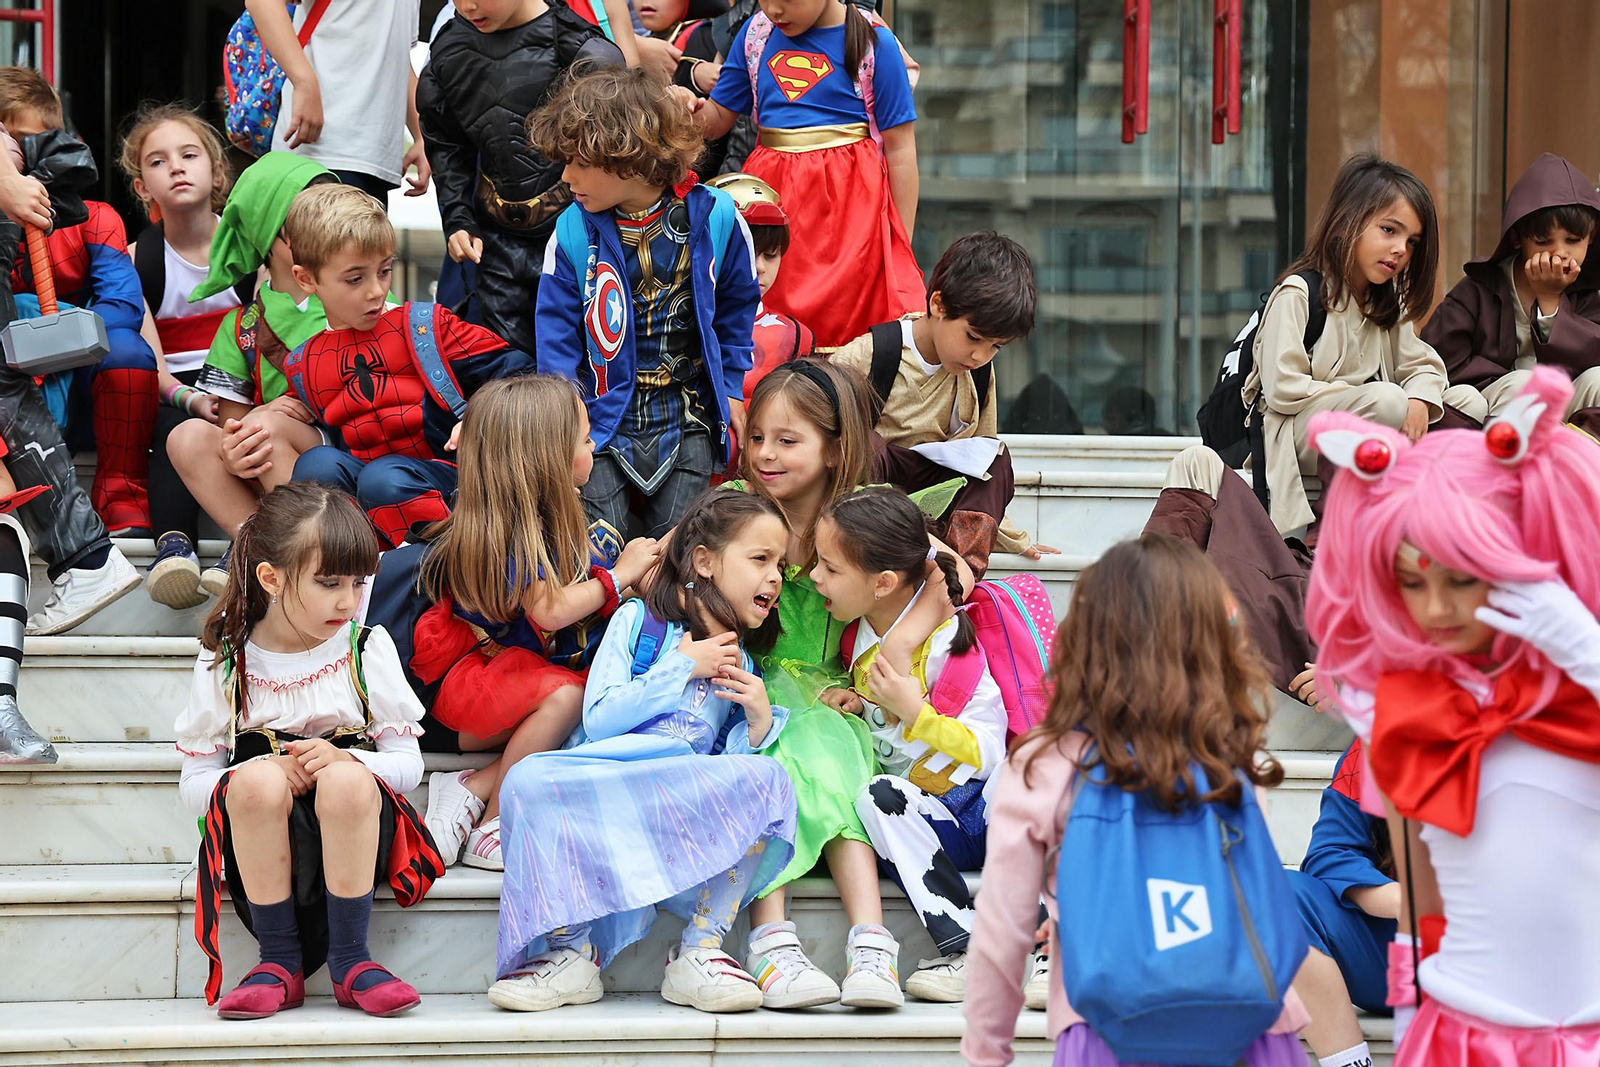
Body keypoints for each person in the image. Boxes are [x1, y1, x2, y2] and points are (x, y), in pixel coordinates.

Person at [1305, 366, 1600, 1064]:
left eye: (1460, 577)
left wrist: (1585, 653)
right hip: (1461, 1037)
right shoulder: (1410, 714)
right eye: (1411, 582)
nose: (1436, 608)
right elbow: (1423, 897)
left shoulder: (1581, 703)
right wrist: (1413, 1019)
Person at [963, 534, 1310, 1066]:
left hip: (1109, 1028)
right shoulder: (1231, 756)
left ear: (1086, 640)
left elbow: (1003, 925)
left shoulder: (1043, 763)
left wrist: (987, 1048)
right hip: (1250, 1022)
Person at [488, 489, 796, 1015]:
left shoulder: (742, 659)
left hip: (677, 802)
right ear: (705, 561)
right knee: (526, 780)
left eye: (781, 566)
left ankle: (701, 950)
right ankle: (570, 952)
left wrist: (757, 722)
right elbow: (599, 718)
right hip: (613, 786)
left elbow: (727, 771)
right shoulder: (639, 622)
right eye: (761, 559)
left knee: (770, 781)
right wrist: (681, 666)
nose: (775, 578)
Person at [732, 359, 968, 1010]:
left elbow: (948, 576)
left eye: (787, 440)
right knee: (777, 752)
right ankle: (771, 941)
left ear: (835, 448)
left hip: (838, 689)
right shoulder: (740, 509)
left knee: (838, 753)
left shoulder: (860, 516)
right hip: (752, 683)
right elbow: (683, 558)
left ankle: (871, 946)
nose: (765, 454)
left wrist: (892, 654)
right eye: (757, 437)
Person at [176, 482, 443, 1021]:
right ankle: (278, 961)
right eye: (329, 583)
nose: (348, 601)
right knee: (254, 782)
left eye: (358, 582)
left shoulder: (365, 648)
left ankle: (352, 960)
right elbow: (194, 787)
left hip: (355, 822)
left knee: (344, 780)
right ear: (271, 578)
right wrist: (262, 769)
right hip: (261, 832)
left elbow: (409, 766)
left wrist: (350, 760)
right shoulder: (226, 660)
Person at [406, 375, 660, 869]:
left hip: (508, 688)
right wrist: (620, 576)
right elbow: (552, 611)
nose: (594, 446)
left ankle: (475, 784)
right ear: (548, 458)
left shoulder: (548, 522)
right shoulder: (513, 534)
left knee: (596, 702)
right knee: (570, 698)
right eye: (585, 439)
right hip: (471, 690)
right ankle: (495, 821)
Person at [531, 66, 760, 539]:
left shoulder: (717, 217)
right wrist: (563, 413)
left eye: (579, 162)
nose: (566, 176)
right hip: (595, 419)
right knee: (595, 544)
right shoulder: (571, 230)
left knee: (678, 547)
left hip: (688, 414)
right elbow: (555, 333)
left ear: (630, 159)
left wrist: (732, 387)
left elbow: (738, 305)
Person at [811, 486, 1006, 1003]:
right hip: (926, 819)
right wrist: (862, 704)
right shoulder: (858, 641)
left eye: (830, 568)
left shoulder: (948, 643)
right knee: (876, 796)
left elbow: (989, 751)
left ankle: (1030, 943)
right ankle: (966, 945)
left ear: (883, 583)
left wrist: (917, 713)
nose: (814, 577)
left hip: (980, 808)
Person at [284, 183, 533, 548]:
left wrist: (479, 418)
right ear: (306, 279)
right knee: (315, 465)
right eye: (355, 279)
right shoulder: (302, 365)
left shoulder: (427, 327)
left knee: (383, 477)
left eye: (384, 271)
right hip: (370, 502)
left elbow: (522, 373)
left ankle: (445, 567)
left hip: (456, 489)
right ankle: (346, 568)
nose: (375, 290)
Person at [1243, 153, 1448, 535]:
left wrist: (1420, 400)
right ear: (1348, 221)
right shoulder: (1299, 293)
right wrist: (1365, 396)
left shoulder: (1387, 302)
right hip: (1294, 435)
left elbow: (1422, 365)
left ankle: (1443, 515)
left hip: (1365, 425)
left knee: (1464, 402)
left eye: (1412, 241)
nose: (1401, 249)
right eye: (1389, 230)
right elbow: (1283, 389)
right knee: (1387, 401)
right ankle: (1334, 524)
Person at [699, 0, 922, 347]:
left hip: (850, 224)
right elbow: (717, 118)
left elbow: (901, 151)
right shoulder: (755, 34)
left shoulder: (874, 43)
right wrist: (688, 110)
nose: (774, 9)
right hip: (771, 220)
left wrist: (898, 245)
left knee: (847, 341)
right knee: (768, 340)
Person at [830, 231, 1052, 576]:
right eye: (973, 337)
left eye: (995, 346)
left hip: (938, 506)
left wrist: (1012, 538)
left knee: (995, 457)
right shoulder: (870, 355)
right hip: (870, 504)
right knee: (864, 443)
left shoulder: (978, 373)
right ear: (937, 305)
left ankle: (959, 574)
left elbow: (981, 464)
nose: (980, 355)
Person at [0, 67, 161, 537]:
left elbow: (124, 307)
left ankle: (121, 496)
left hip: (81, 387)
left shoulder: (96, 218)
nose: (14, 156)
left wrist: (48, 343)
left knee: (128, 351)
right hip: (8, 384)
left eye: (26, 141)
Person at [418, 0, 624, 358]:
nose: (467, 6)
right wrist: (458, 219)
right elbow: (446, 145)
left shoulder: (582, 49)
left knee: (583, 365)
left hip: (578, 237)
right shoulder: (448, 52)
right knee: (510, 373)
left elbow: (615, 154)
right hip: (494, 245)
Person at [171, 155, 335, 594]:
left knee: (265, 425)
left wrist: (275, 416)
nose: (326, 222)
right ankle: (255, 545)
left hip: (341, 453)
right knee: (187, 436)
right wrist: (234, 451)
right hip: (266, 456)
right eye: (308, 213)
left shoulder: (355, 299)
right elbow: (233, 424)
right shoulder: (241, 325)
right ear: (269, 231)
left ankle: (300, 554)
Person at [118, 103, 247, 609]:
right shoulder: (138, 259)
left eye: (189, 155)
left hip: (243, 382)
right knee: (170, 427)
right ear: (142, 187)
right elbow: (151, 362)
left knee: (252, 427)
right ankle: (174, 547)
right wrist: (189, 400)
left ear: (216, 171)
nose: (175, 167)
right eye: (158, 161)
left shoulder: (250, 252)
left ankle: (244, 542)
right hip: (176, 390)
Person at [1424, 153, 1600, 429]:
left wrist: (1550, 300)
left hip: (1561, 405)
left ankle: (1576, 454)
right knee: (1523, 384)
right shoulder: (1478, 289)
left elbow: (1587, 359)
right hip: (1497, 406)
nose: (1560, 253)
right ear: (1517, 238)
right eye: (1544, 241)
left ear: (1591, 237)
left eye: (1573, 240)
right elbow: (1439, 360)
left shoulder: (1586, 292)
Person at [245, 0, 428, 203]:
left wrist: (422, 135)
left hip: (373, 158)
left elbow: (393, 56)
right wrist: (304, 82)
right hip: (319, 151)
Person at [1286, 739, 1397, 1067]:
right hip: (1395, 955)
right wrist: (1402, 902)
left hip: (1500, 959)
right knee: (1279, 895)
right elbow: (1331, 852)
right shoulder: (1375, 740)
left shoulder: (1522, 743)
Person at [703, 172, 815, 405]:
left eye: (770, 255)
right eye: (746, 254)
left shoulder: (794, 335)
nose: (759, 267)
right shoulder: (675, 323)